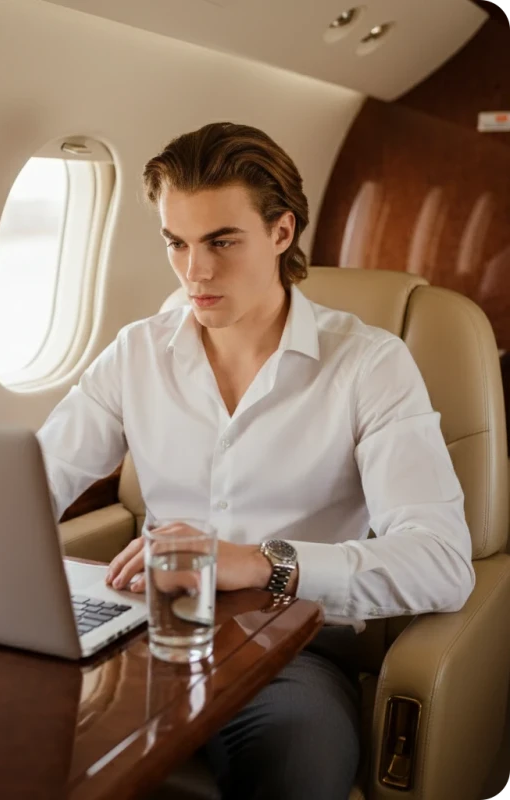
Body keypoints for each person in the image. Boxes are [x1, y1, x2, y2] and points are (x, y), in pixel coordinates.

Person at [36, 121, 475, 800]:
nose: (194, 272)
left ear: (281, 232)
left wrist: (266, 563)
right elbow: (36, 480)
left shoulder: (369, 364)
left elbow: (441, 563)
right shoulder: (135, 352)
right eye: (177, 243)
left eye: (220, 242)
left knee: (295, 760)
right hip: (148, 632)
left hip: (290, 648)